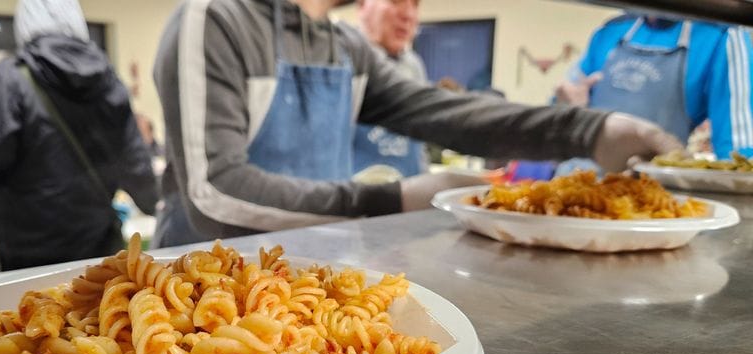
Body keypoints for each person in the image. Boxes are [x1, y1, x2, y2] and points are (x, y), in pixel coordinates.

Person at [152, 0, 680, 247]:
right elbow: (217, 190)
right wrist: (387, 199)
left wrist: (587, 129)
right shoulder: (216, 19)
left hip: (306, 277)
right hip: (199, 288)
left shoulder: (346, 47)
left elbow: (444, 113)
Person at [0, 0, 157, 271]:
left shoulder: (10, 77)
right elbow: (134, 162)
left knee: (32, 310)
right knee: (98, 308)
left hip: (28, 241)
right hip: (96, 235)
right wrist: (156, 206)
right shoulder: (108, 78)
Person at [556, 13, 753, 160]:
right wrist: (568, 106)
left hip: (651, 199)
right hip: (576, 183)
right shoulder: (610, 32)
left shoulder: (721, 36)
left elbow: (738, 156)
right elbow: (561, 110)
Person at [352, 0, 427, 179]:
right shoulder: (344, 58)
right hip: (355, 199)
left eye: (415, 4)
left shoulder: (414, 66)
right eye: (395, 1)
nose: (408, 15)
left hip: (409, 196)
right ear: (362, 5)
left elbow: (420, 144)